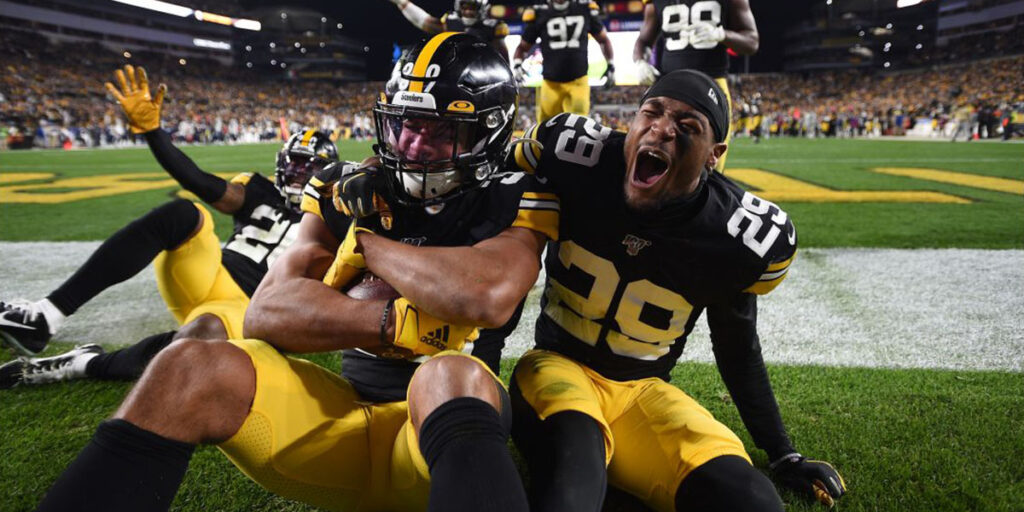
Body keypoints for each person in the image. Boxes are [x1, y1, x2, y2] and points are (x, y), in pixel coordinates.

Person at [33, 33, 554, 512]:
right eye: (405, 124)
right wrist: (395, 323)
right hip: (338, 422)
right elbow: (267, 313)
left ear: (488, 131)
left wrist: (368, 246)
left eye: (440, 130)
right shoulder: (340, 188)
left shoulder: (516, 193)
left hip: (435, 441)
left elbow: (486, 296)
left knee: (448, 373)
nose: (413, 146)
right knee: (188, 361)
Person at [506, 70, 846, 511]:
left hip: (643, 390)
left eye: (688, 127)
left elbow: (737, 347)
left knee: (753, 501)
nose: (663, 129)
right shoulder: (576, 158)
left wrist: (783, 453)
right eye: (652, 113)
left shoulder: (734, 233)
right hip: (556, 368)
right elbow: (484, 190)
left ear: (715, 154)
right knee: (576, 478)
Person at [0, 65, 337, 387]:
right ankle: (46, 315)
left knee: (201, 342)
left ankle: (81, 364)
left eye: (306, 168)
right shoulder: (258, 189)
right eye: (292, 165)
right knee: (185, 213)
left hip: (249, 307)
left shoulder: (335, 221)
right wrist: (153, 133)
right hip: (208, 274)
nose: (295, 175)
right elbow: (199, 182)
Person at [632, 0, 759, 171]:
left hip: (711, 86)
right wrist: (640, 61)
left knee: (709, 167)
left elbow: (752, 42)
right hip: (670, 88)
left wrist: (721, 34)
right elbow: (644, 40)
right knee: (658, 162)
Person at [513, 0, 615, 123]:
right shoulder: (541, 13)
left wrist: (611, 65)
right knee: (546, 130)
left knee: (578, 127)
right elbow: (523, 47)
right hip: (551, 83)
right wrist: (517, 64)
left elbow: (603, 40)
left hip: (578, 81)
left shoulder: (584, 8)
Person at [387, 0, 509, 58]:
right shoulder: (451, 21)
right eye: (464, 7)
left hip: (483, 71)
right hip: (453, 70)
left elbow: (503, 56)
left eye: (472, 8)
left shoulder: (493, 27)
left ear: (482, 8)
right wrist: (403, 3)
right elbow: (424, 21)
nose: (467, 11)